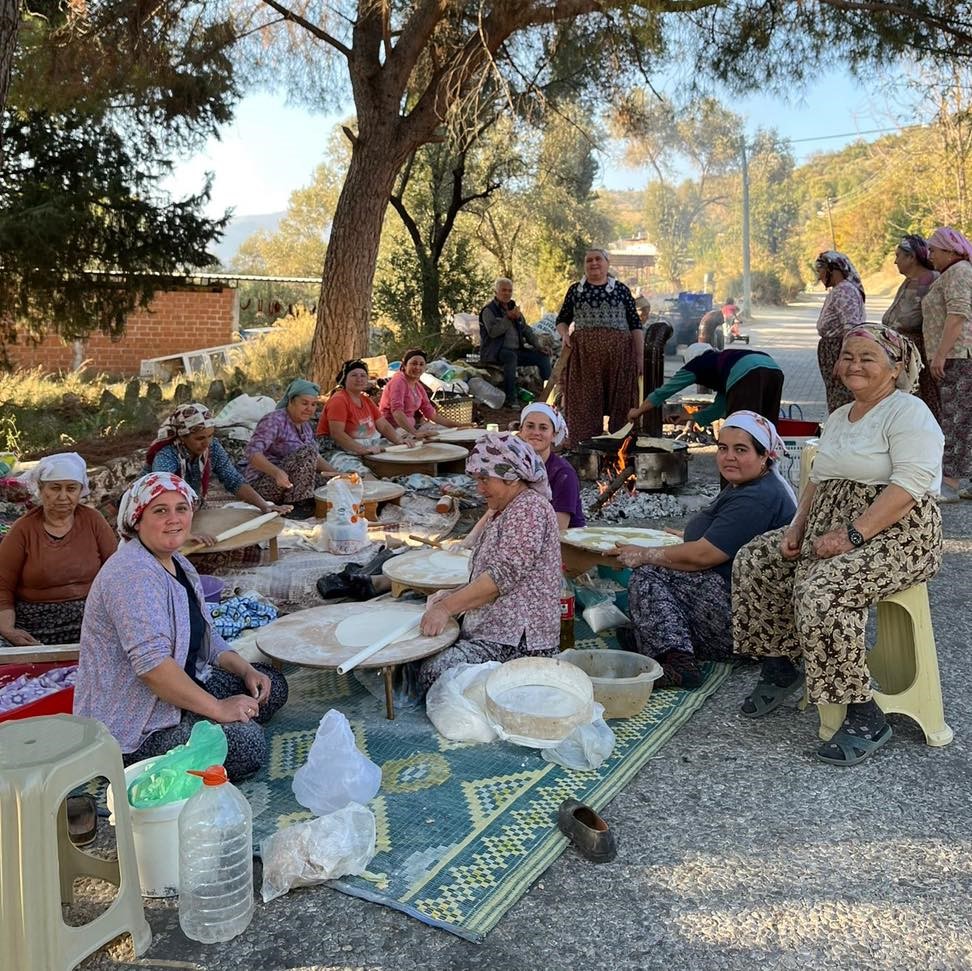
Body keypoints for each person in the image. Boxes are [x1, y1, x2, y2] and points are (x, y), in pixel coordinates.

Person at [732, 326, 943, 766]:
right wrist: (796, 526)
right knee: (757, 559)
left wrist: (852, 535)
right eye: (848, 356)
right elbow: (819, 477)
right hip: (830, 529)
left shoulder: (909, 412)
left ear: (895, 365)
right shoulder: (840, 415)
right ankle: (782, 662)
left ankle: (864, 713)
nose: (854, 365)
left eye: (867, 357)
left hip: (898, 536)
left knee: (824, 590)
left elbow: (909, 485)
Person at [73, 473, 289, 781]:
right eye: (160, 511)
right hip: (138, 718)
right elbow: (153, 669)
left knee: (271, 684)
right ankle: (201, 725)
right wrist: (218, 708)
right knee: (247, 745)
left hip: (183, 682)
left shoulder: (178, 563)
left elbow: (205, 635)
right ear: (137, 520)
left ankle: (212, 716)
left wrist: (245, 670)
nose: (174, 519)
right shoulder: (131, 575)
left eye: (181, 508)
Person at [615, 413, 796, 689]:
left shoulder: (758, 497)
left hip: (750, 623)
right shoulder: (748, 484)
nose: (728, 457)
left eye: (741, 449)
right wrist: (681, 538)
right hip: (739, 601)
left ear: (765, 456)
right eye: (723, 448)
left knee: (649, 575)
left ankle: (678, 663)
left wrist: (644, 553)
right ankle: (659, 636)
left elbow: (704, 557)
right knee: (656, 579)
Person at [416, 433, 561, 691]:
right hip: (494, 630)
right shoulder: (507, 507)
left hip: (519, 642)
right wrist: (451, 596)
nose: (479, 488)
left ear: (512, 476)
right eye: (477, 479)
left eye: (485, 479)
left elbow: (499, 578)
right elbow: (492, 573)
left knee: (433, 673)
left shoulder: (529, 510)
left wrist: (446, 608)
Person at [0, 453, 116, 647]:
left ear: (81, 491)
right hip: (34, 623)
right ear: (41, 489)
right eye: (55, 488)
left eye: (71, 489)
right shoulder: (23, 529)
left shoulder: (94, 521)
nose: (63, 497)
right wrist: (8, 630)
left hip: (90, 619)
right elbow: (2, 586)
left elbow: (117, 573)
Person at [146, 403, 293, 538]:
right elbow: (162, 495)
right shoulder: (167, 455)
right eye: (200, 438)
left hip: (187, 506)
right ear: (183, 437)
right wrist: (185, 534)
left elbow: (232, 478)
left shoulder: (212, 448)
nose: (206, 442)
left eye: (210, 436)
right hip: (155, 509)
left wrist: (265, 506)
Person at [556, 248, 644, 447]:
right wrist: (564, 335)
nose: (593, 263)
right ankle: (584, 448)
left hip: (620, 356)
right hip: (584, 357)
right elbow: (562, 320)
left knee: (622, 401)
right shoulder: (575, 290)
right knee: (584, 402)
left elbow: (635, 325)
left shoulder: (621, 289)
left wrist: (639, 358)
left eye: (598, 259)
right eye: (589, 260)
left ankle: (621, 445)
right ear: (584, 265)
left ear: (607, 263)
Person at [922, 226, 972, 501]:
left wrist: (940, 354)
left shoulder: (959, 271)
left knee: (956, 420)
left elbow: (957, 314)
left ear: (950, 250)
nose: (930, 255)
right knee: (963, 418)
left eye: (934, 250)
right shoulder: (952, 273)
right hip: (955, 355)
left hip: (958, 357)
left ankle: (950, 483)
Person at [628, 345, 784, 429]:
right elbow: (718, 409)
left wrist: (638, 411)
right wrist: (688, 417)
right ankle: (768, 470)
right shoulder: (724, 364)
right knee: (767, 425)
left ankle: (737, 484)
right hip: (774, 370)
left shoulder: (696, 365)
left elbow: (663, 392)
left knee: (741, 429)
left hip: (748, 373)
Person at [244, 378, 337, 516]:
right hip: (265, 483)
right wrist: (276, 472)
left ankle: (304, 499)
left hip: (290, 483)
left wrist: (338, 475)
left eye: (313, 404)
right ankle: (298, 505)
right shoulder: (274, 420)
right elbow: (252, 453)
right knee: (307, 451)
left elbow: (315, 459)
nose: (309, 409)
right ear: (291, 401)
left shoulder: (305, 425)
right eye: (304, 403)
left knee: (332, 485)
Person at [881, 235, 941, 423]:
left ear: (911, 257)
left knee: (921, 402)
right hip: (900, 351)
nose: (895, 261)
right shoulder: (909, 281)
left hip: (917, 354)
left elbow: (928, 319)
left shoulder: (929, 280)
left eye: (899, 255)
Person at [317, 360, 415, 474]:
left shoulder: (366, 400)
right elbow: (337, 434)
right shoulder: (339, 400)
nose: (359, 379)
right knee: (362, 475)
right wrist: (363, 450)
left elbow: (383, 426)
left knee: (403, 455)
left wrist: (399, 440)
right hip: (336, 450)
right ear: (344, 379)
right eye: (354, 375)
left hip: (365, 445)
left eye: (363, 375)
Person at [479, 279, 552, 408]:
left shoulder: (514, 309)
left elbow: (526, 330)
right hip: (496, 352)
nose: (507, 293)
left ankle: (550, 394)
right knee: (510, 357)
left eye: (510, 290)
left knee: (542, 356)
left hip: (517, 350)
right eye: (503, 290)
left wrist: (539, 346)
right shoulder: (488, 311)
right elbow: (493, 332)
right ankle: (511, 399)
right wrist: (508, 318)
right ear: (496, 292)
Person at [517, 402, 585, 529]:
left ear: (553, 434)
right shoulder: (515, 466)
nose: (536, 433)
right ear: (521, 430)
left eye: (543, 428)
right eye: (530, 426)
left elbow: (559, 528)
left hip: (565, 542)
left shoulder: (563, 473)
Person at [814, 251, 866, 413]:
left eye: (821, 269)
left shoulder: (845, 291)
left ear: (833, 270)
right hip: (833, 349)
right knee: (835, 395)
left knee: (842, 398)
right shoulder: (838, 290)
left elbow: (851, 328)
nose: (819, 275)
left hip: (839, 349)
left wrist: (844, 358)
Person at [378, 349, 470, 438]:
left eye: (421, 364)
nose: (417, 367)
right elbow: (397, 412)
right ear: (405, 365)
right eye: (413, 363)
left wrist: (457, 425)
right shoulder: (398, 381)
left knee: (444, 433)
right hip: (393, 429)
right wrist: (415, 433)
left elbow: (431, 414)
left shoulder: (418, 386)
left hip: (410, 428)